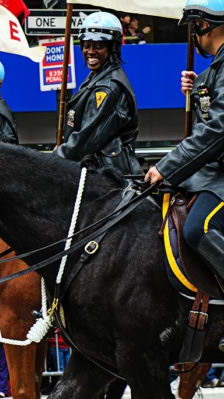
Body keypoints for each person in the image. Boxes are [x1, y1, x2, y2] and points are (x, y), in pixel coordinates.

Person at [145, 0, 224, 351]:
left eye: (194, 27)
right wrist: (199, 90)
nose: (193, 36)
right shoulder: (213, 72)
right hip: (210, 175)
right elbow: (203, 125)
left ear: (207, 26)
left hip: (220, 177)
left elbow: (217, 132)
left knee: (198, 228)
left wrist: (165, 166)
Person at [55, 11, 142, 176]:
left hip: (110, 179)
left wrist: (54, 159)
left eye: (98, 46)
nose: (90, 51)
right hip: (96, 172)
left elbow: (87, 138)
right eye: (86, 45)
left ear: (113, 48)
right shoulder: (96, 77)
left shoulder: (108, 87)